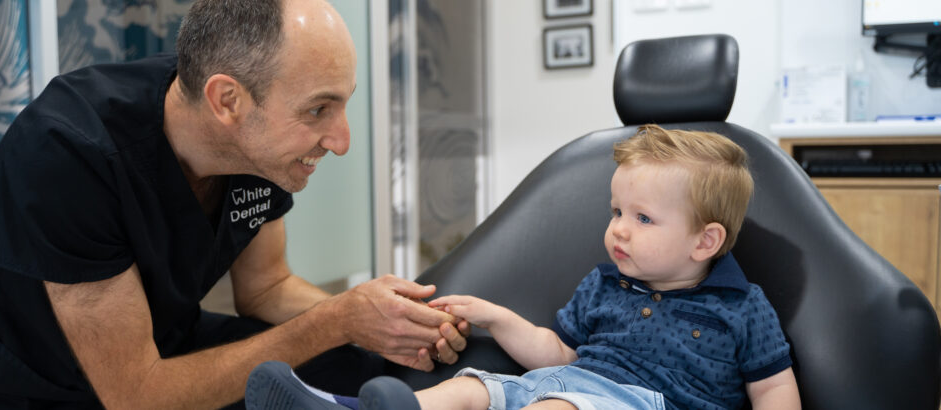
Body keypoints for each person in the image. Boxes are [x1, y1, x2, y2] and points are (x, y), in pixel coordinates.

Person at [0, 0, 470, 408]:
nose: (341, 140)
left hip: (168, 341)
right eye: (318, 109)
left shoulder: (257, 147)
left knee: (367, 371)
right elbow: (137, 396)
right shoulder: (66, 153)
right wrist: (335, 320)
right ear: (227, 101)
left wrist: (388, 325)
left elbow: (267, 287)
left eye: (344, 102)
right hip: (41, 384)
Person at [248, 124, 802, 410]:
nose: (619, 229)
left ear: (705, 241)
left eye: (644, 218)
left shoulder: (740, 306)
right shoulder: (604, 284)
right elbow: (557, 352)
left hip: (646, 403)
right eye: (615, 212)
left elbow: (774, 389)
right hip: (560, 383)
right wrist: (494, 316)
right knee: (470, 390)